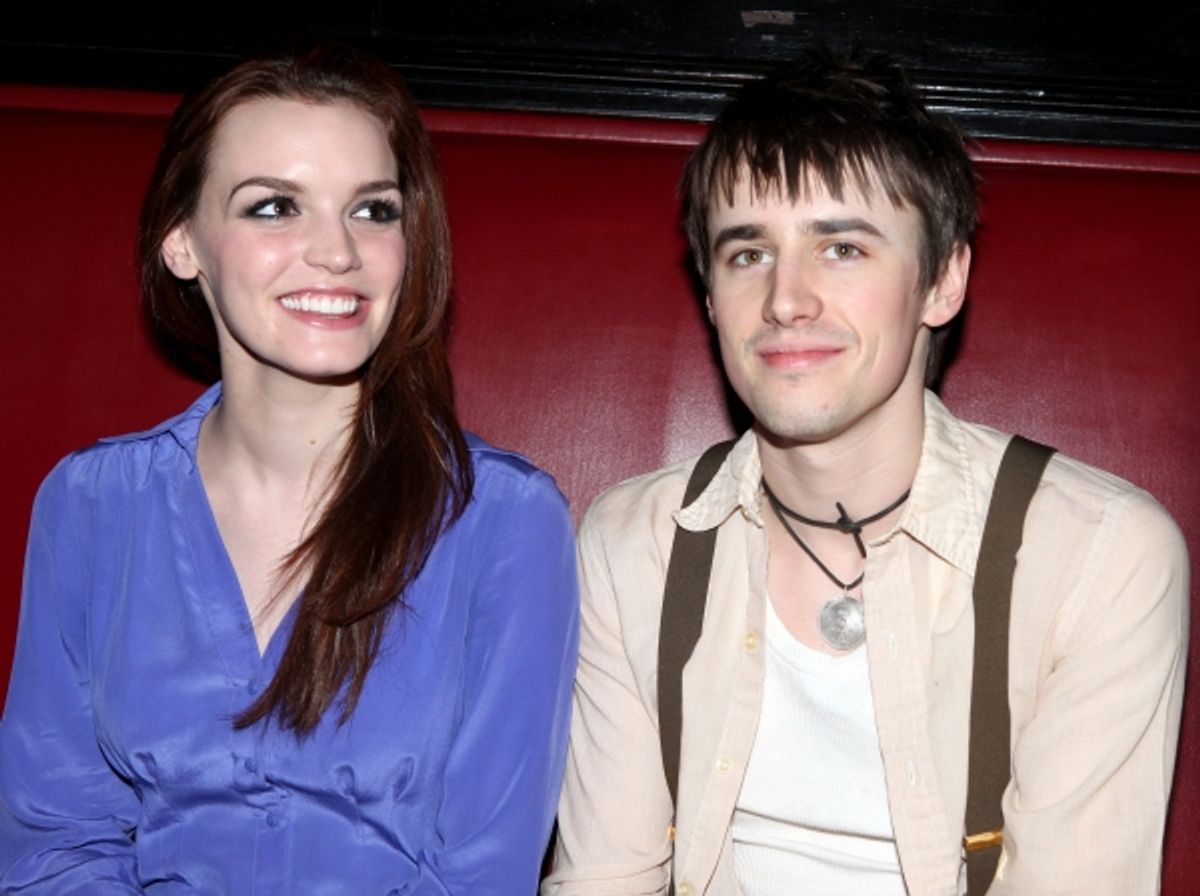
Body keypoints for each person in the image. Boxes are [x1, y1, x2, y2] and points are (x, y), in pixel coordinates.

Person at [543, 49, 1188, 896]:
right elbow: (606, 880)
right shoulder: (636, 542)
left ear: (942, 280)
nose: (786, 299)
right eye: (746, 254)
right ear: (709, 294)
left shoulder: (1098, 558)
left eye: (841, 247)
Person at [0, 44, 578, 895]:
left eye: (374, 211)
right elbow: (57, 846)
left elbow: (481, 872)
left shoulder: (502, 520)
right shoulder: (91, 506)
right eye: (275, 207)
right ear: (182, 243)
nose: (336, 252)